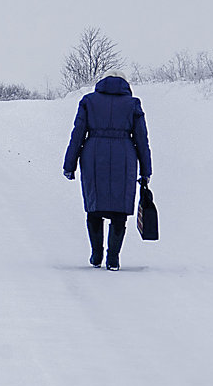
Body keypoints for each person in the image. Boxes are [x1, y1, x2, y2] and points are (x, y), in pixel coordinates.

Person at [62, 70, 152, 271]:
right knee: (119, 210)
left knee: (94, 207)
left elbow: (77, 134)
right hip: (124, 156)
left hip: (94, 155)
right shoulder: (133, 104)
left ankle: (96, 254)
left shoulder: (89, 101)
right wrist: (146, 170)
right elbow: (142, 140)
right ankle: (113, 258)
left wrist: (69, 165)